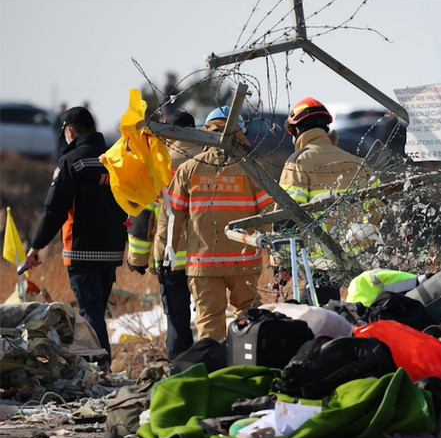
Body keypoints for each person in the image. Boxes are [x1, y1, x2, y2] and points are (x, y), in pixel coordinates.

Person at [24, 106, 127, 373]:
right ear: (94, 129)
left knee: (91, 311)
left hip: (81, 251)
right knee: (97, 310)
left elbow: (54, 209)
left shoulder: (72, 162)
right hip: (111, 251)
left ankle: (99, 365)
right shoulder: (114, 159)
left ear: (70, 131)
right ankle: (97, 362)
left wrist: (37, 245)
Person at [165, 106, 273, 342]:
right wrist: (276, 257)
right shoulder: (251, 168)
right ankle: (250, 370)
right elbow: (269, 215)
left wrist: (169, 251)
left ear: (206, 132)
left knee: (209, 324)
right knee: (250, 320)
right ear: (240, 133)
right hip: (244, 261)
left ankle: (213, 373)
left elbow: (173, 216)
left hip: (203, 264)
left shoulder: (188, 168)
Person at [277, 97, 382, 305]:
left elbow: (286, 219)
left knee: (318, 319)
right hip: (356, 259)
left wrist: (283, 264)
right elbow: (377, 209)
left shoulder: (298, 161)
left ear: (297, 130)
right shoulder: (358, 162)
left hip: (316, 262)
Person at [126, 111, 202, 359]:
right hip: (208, 256)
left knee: (178, 318)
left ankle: (179, 369)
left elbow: (142, 216)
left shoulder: (157, 165)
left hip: (171, 257)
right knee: (209, 316)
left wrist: (138, 259)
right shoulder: (210, 159)